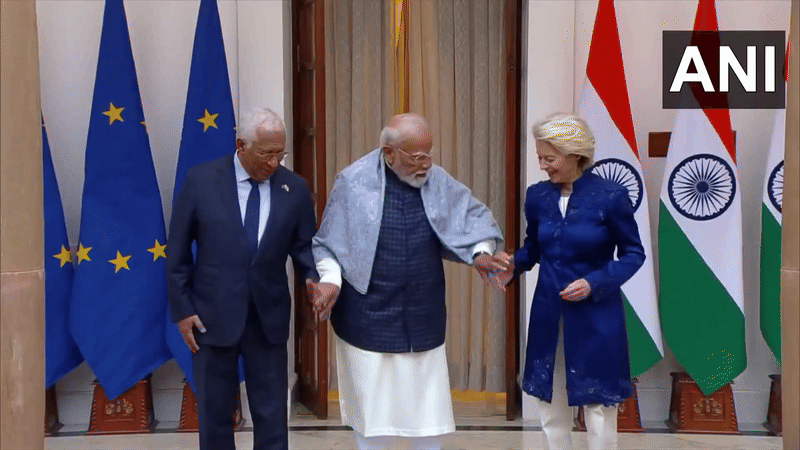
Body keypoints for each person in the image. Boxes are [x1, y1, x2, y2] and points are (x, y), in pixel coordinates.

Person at [310, 113, 507, 450]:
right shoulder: (353, 182)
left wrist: (480, 251)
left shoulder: (436, 179)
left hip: (421, 312)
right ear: (390, 152)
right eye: (418, 157)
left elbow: (471, 216)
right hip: (366, 316)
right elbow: (328, 241)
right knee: (373, 416)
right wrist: (329, 280)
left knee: (426, 414)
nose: (427, 163)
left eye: (430, 154)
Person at [167, 108, 319, 450]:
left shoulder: (294, 189)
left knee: (271, 417)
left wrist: (314, 279)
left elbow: (305, 248)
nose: (275, 162)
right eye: (267, 153)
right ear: (241, 145)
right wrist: (182, 308)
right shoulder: (202, 181)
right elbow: (175, 252)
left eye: (281, 153)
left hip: (267, 319)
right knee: (215, 416)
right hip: (210, 317)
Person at [492, 113, 645, 450]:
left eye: (550, 158)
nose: (544, 166)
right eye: (540, 158)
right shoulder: (537, 197)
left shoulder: (610, 196)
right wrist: (512, 265)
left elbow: (634, 253)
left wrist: (594, 282)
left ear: (576, 154)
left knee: (598, 405)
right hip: (549, 313)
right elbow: (534, 247)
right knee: (550, 400)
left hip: (597, 314)